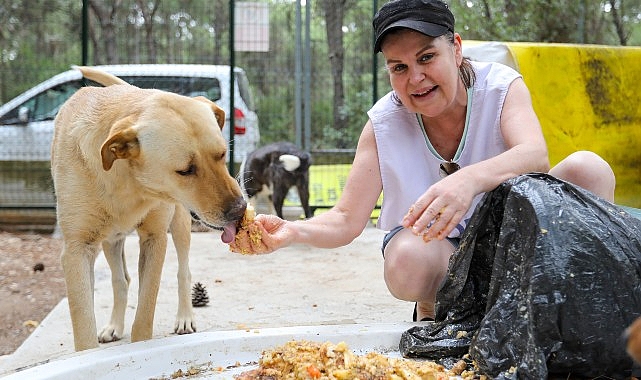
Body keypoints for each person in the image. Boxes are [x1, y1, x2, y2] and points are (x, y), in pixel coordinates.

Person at [230, 0, 616, 322]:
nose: (415, 78)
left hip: (516, 243)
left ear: (457, 48)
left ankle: (578, 310)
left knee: (588, 169)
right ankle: (438, 309)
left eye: (427, 57)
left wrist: (467, 181)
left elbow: (535, 156)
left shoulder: (501, 86)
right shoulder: (383, 123)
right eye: (399, 67)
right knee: (407, 260)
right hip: (444, 257)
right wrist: (293, 231)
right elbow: (347, 219)